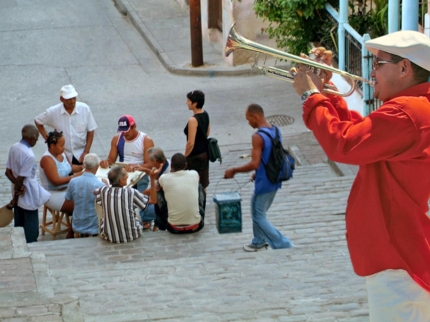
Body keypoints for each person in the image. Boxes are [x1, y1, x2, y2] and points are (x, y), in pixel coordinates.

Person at [292, 30, 430, 320]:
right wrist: (326, 92)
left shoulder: (407, 113)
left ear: (404, 68)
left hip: (399, 264)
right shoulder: (414, 109)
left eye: (379, 64)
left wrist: (310, 94)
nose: (371, 71)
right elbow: (362, 138)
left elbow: (343, 144)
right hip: (407, 258)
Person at [224, 104, 294, 251]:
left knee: (258, 215)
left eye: (248, 119)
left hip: (265, 182)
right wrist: (259, 171)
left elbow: (254, 163)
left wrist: (234, 170)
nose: (248, 122)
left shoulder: (257, 137)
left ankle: (282, 243)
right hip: (275, 178)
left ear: (254, 116)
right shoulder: (275, 130)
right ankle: (258, 241)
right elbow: (273, 155)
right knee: (257, 209)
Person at [5, 125, 51, 243]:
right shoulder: (29, 155)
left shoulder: (14, 147)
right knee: (31, 230)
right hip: (28, 194)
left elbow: (8, 172)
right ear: (32, 137)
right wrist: (16, 195)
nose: (37, 140)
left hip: (18, 192)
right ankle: (31, 248)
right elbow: (21, 179)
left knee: (19, 225)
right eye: (37, 138)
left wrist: (16, 192)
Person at [34, 84, 98, 165]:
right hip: (62, 156)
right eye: (68, 99)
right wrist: (48, 139)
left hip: (81, 154)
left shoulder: (85, 109)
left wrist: (86, 151)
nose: (72, 101)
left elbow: (91, 130)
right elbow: (38, 121)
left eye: (74, 98)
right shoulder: (53, 112)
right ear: (61, 99)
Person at [95, 165, 158, 243]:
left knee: (99, 202)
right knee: (136, 208)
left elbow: (95, 192)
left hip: (109, 236)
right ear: (121, 180)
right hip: (132, 235)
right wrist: (152, 178)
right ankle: (143, 223)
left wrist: (107, 186)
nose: (128, 176)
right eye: (126, 175)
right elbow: (153, 200)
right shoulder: (131, 192)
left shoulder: (103, 191)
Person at [99, 115, 154, 192]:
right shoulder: (116, 139)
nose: (124, 133)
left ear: (134, 126)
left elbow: (150, 164)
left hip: (140, 175)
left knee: (140, 199)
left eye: (127, 130)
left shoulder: (146, 140)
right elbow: (111, 159)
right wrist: (105, 162)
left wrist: (137, 166)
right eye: (122, 131)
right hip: (123, 173)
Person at [155, 153, 204, 234]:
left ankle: (161, 225)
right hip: (196, 226)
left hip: (173, 228)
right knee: (199, 186)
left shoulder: (163, 178)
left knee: (158, 191)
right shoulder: (193, 173)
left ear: (171, 165)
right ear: (186, 164)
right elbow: (198, 180)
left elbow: (158, 186)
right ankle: (199, 214)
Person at [39, 130, 83, 213]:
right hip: (52, 194)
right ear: (52, 146)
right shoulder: (47, 159)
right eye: (61, 145)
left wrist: (82, 167)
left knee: (89, 194)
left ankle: (79, 223)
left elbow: (70, 167)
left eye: (64, 144)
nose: (63, 147)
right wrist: (74, 177)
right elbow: (56, 181)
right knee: (84, 203)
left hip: (66, 189)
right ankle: (77, 225)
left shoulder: (62, 153)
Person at [65, 153, 107, 238]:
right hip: (93, 226)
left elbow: (68, 199)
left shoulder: (73, 181)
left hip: (76, 224)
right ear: (97, 166)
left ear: (84, 165)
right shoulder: (100, 185)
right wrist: (107, 186)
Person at [184, 90, 210, 191]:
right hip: (204, 153)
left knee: (193, 184)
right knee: (203, 184)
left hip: (195, 156)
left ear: (195, 103)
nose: (186, 102)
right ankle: (203, 204)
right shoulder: (205, 114)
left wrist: (185, 156)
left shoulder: (193, 120)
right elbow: (207, 132)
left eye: (188, 101)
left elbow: (191, 143)